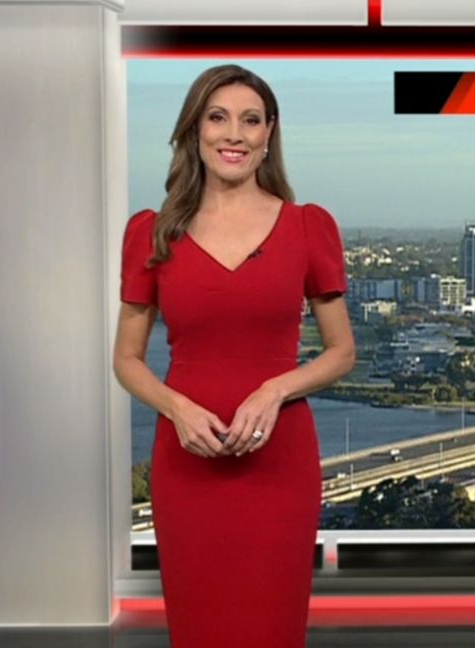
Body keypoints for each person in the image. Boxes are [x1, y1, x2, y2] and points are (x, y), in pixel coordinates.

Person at [113, 64, 356, 648]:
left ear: (269, 133)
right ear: (194, 131)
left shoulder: (307, 227)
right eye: (218, 118)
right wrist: (177, 409)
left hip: (280, 462)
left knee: (272, 623)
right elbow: (127, 359)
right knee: (200, 623)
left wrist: (276, 389)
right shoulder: (152, 233)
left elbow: (342, 351)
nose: (234, 134)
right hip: (187, 462)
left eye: (250, 120)